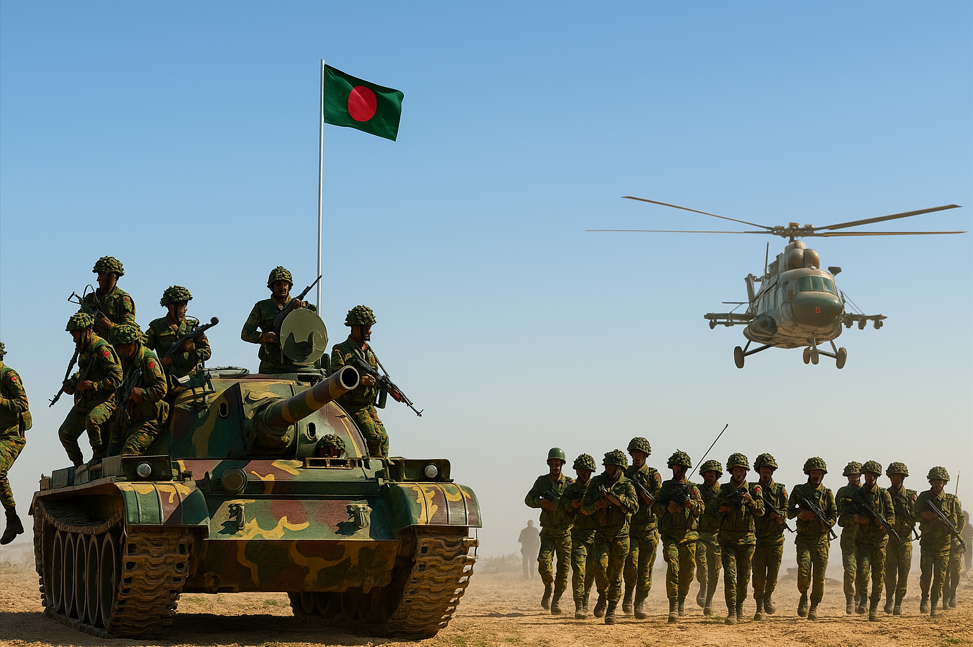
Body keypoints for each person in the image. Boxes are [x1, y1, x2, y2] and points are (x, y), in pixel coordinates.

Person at [329, 305, 403, 457]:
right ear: (357, 328)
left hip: (368, 406)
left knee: (383, 439)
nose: (370, 331)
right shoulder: (340, 350)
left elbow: (376, 377)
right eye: (367, 328)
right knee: (374, 438)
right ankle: (373, 468)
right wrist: (361, 381)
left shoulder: (369, 352)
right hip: (350, 406)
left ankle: (382, 466)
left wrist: (389, 389)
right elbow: (337, 379)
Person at [705, 452, 763, 625]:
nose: (739, 473)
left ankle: (739, 605)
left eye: (742, 470)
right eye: (736, 470)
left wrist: (750, 502)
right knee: (730, 576)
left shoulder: (754, 489)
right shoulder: (723, 490)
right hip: (728, 540)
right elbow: (709, 516)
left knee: (744, 578)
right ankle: (731, 611)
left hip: (747, 540)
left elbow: (761, 511)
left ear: (746, 472)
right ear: (731, 471)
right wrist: (722, 510)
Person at [57, 313, 123, 466]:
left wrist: (93, 385)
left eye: (75, 335)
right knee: (65, 433)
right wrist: (73, 383)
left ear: (87, 331)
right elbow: (84, 371)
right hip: (87, 400)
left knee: (92, 420)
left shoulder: (102, 349)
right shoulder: (84, 348)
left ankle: (98, 456)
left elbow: (117, 378)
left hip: (106, 401)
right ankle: (78, 466)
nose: (74, 339)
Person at [581, 449, 637, 625]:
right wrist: (598, 505)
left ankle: (612, 608)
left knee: (616, 574)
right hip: (602, 535)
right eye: (608, 466)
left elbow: (635, 507)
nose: (610, 470)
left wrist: (617, 500)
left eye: (613, 467)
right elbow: (584, 508)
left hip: (621, 536)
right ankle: (602, 595)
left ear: (621, 468)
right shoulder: (597, 482)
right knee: (600, 567)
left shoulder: (627, 485)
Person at [651, 449, 703, 624]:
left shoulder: (692, 488)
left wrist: (690, 504)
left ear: (686, 468)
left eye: (680, 466)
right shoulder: (666, 488)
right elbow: (654, 506)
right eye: (675, 466)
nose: (678, 469)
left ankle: (681, 599)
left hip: (689, 536)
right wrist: (667, 508)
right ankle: (673, 605)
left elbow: (702, 509)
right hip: (670, 535)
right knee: (673, 567)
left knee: (687, 572)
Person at [787, 457, 837, 621]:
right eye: (814, 473)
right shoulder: (799, 490)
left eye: (819, 473)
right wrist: (800, 514)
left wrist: (827, 523)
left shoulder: (827, 493)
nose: (816, 476)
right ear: (808, 473)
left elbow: (834, 515)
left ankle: (814, 605)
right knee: (803, 570)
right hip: (804, 539)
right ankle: (803, 595)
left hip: (821, 540)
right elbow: (787, 511)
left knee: (819, 576)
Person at [524, 447, 574, 613]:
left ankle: (556, 600)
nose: (555, 467)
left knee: (563, 569)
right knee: (544, 563)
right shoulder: (542, 482)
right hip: (548, 531)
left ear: (562, 465)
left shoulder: (569, 483)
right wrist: (541, 502)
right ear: (548, 464)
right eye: (552, 464)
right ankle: (548, 587)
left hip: (565, 532)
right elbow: (528, 499)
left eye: (557, 464)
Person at [107, 325, 168, 456]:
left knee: (128, 454)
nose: (121, 351)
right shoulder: (127, 359)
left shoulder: (148, 360)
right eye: (118, 347)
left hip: (148, 421)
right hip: (128, 419)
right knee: (110, 457)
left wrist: (142, 393)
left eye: (124, 346)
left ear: (134, 343)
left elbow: (161, 389)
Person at [241, 266, 313, 374]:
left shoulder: (303, 307)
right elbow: (246, 333)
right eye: (278, 284)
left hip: (298, 365)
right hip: (270, 366)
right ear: (272, 286)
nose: (282, 287)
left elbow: (314, 327)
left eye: (285, 284)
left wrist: (300, 309)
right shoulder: (262, 307)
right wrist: (263, 337)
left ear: (289, 286)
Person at [846, 460, 894, 621]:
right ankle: (863, 599)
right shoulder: (858, 495)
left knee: (879, 575)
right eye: (867, 474)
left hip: (880, 541)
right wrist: (856, 518)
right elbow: (845, 516)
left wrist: (885, 524)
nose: (870, 477)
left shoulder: (884, 494)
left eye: (873, 475)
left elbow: (891, 516)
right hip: (864, 541)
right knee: (862, 572)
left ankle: (874, 607)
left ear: (877, 476)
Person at [622, 436, 663, 619]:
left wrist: (645, 496)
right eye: (634, 454)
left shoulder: (653, 475)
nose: (637, 457)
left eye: (640, 454)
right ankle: (628, 595)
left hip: (649, 529)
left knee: (645, 568)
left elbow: (658, 500)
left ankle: (639, 603)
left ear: (646, 455)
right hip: (630, 528)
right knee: (631, 563)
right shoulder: (625, 473)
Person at [915, 466, 964, 616]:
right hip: (927, 544)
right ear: (930, 482)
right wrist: (924, 515)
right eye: (935, 481)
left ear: (945, 483)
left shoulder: (951, 500)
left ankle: (935, 604)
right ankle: (925, 598)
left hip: (944, 545)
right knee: (926, 575)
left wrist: (954, 530)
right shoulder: (924, 497)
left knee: (940, 576)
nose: (937, 485)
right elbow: (914, 514)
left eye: (940, 482)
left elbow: (960, 520)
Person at [144, 286, 212, 389]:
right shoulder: (157, 326)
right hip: (165, 382)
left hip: (192, 381)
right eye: (182, 305)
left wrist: (191, 350)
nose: (186, 309)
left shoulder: (192, 327)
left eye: (186, 305)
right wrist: (158, 362)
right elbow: (143, 351)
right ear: (172, 307)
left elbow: (207, 353)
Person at [558, 453, 598, 618]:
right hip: (578, 534)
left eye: (587, 471)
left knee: (591, 572)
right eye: (581, 470)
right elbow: (561, 506)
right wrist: (572, 504)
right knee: (579, 571)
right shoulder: (571, 488)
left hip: (596, 535)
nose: (584, 473)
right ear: (576, 471)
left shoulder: (597, 487)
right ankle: (579, 605)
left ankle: (586, 599)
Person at [751, 453, 788, 621]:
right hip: (757, 538)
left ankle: (768, 596)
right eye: (763, 470)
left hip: (775, 539)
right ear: (759, 471)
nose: (766, 473)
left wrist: (780, 516)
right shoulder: (752, 489)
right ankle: (759, 605)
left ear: (772, 471)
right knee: (758, 574)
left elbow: (787, 510)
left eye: (768, 471)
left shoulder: (780, 490)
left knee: (772, 574)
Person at [0, 342, 31, 545]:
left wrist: (1, 401)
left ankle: (12, 519)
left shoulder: (8, 375)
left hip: (11, 437)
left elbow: (23, 403)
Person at [884, 461, 917, 615]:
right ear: (890, 477)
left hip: (905, 540)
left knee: (904, 573)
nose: (896, 479)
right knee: (889, 573)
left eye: (898, 476)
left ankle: (898, 603)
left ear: (903, 478)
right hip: (889, 540)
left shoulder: (911, 496)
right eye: (893, 476)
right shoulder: (884, 495)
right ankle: (889, 599)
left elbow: (918, 515)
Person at [82, 256, 137, 345]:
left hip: (116, 348)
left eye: (101, 275)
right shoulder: (90, 299)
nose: (98, 279)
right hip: (92, 347)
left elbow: (130, 331)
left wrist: (111, 326)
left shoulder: (123, 299)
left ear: (112, 277)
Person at [694, 459, 723, 615]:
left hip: (717, 535)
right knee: (702, 563)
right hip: (699, 533)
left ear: (717, 476)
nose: (709, 477)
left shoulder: (723, 492)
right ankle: (703, 587)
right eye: (706, 474)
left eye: (712, 474)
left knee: (715, 569)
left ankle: (709, 599)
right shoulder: (697, 490)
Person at [835, 461, 863, 614]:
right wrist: (853, 518)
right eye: (851, 475)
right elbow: (838, 518)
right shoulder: (843, 493)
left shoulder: (868, 492)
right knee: (850, 569)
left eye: (856, 475)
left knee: (863, 570)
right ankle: (850, 599)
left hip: (866, 537)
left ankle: (860, 598)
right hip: (849, 536)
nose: (854, 478)